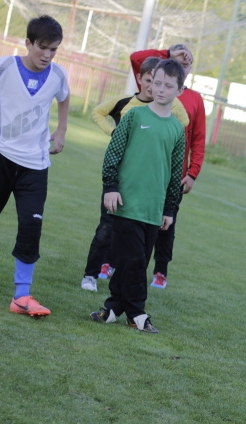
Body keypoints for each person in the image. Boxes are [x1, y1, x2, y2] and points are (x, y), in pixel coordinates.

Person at [0, 15, 70, 317]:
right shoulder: (3, 67)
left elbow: (64, 97)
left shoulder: (57, 75)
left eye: (53, 49)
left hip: (35, 165)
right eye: (42, 47)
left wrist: (61, 130)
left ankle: (21, 296)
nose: (47, 55)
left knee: (31, 225)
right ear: (28, 43)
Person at [89, 59, 186, 334]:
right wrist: (111, 187)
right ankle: (138, 314)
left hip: (153, 210)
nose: (160, 89)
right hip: (126, 203)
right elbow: (113, 153)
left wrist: (169, 209)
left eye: (168, 86)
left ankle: (112, 309)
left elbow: (174, 172)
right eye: (157, 83)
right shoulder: (134, 116)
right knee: (135, 261)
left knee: (133, 262)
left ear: (179, 90)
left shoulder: (177, 129)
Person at [129, 43, 206, 290]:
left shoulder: (194, 99)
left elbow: (199, 139)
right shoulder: (155, 87)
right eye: (176, 63)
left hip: (173, 175)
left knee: (166, 224)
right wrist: (168, 55)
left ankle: (160, 271)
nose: (180, 68)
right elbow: (136, 58)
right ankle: (119, 263)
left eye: (186, 64)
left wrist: (192, 173)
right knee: (130, 219)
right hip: (141, 169)